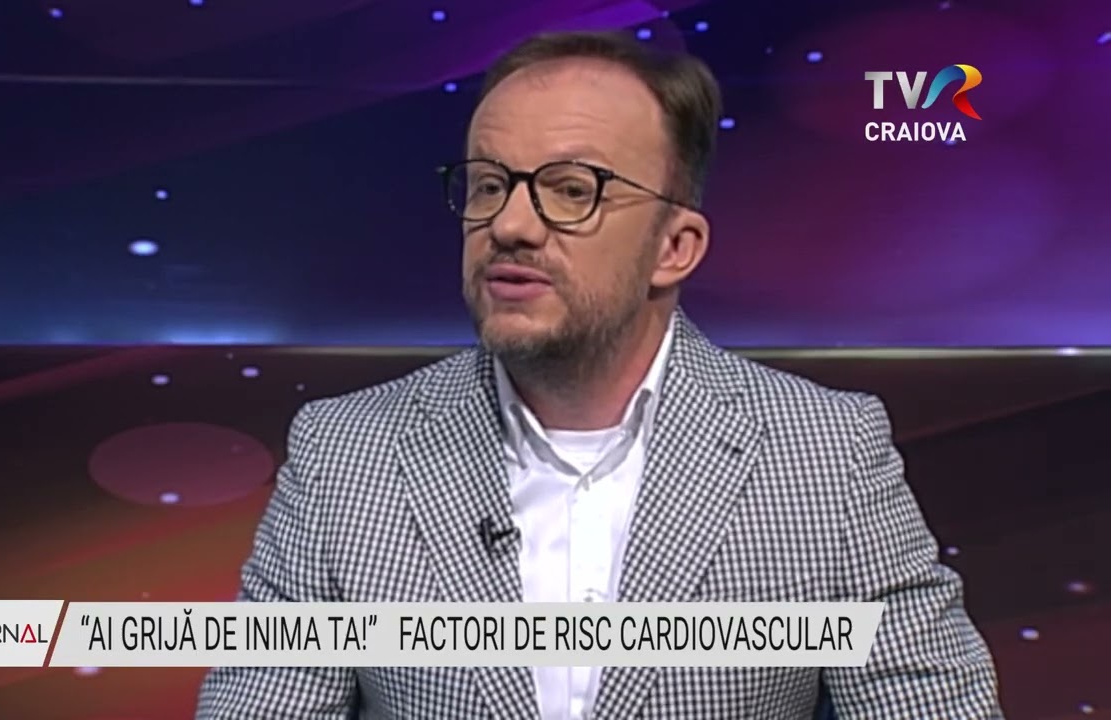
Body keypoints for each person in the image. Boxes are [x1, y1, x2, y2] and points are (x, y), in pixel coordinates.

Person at [196, 29, 1002, 719]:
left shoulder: (826, 452)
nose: (510, 225)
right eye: (488, 185)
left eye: (571, 190)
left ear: (674, 248)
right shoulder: (344, 454)